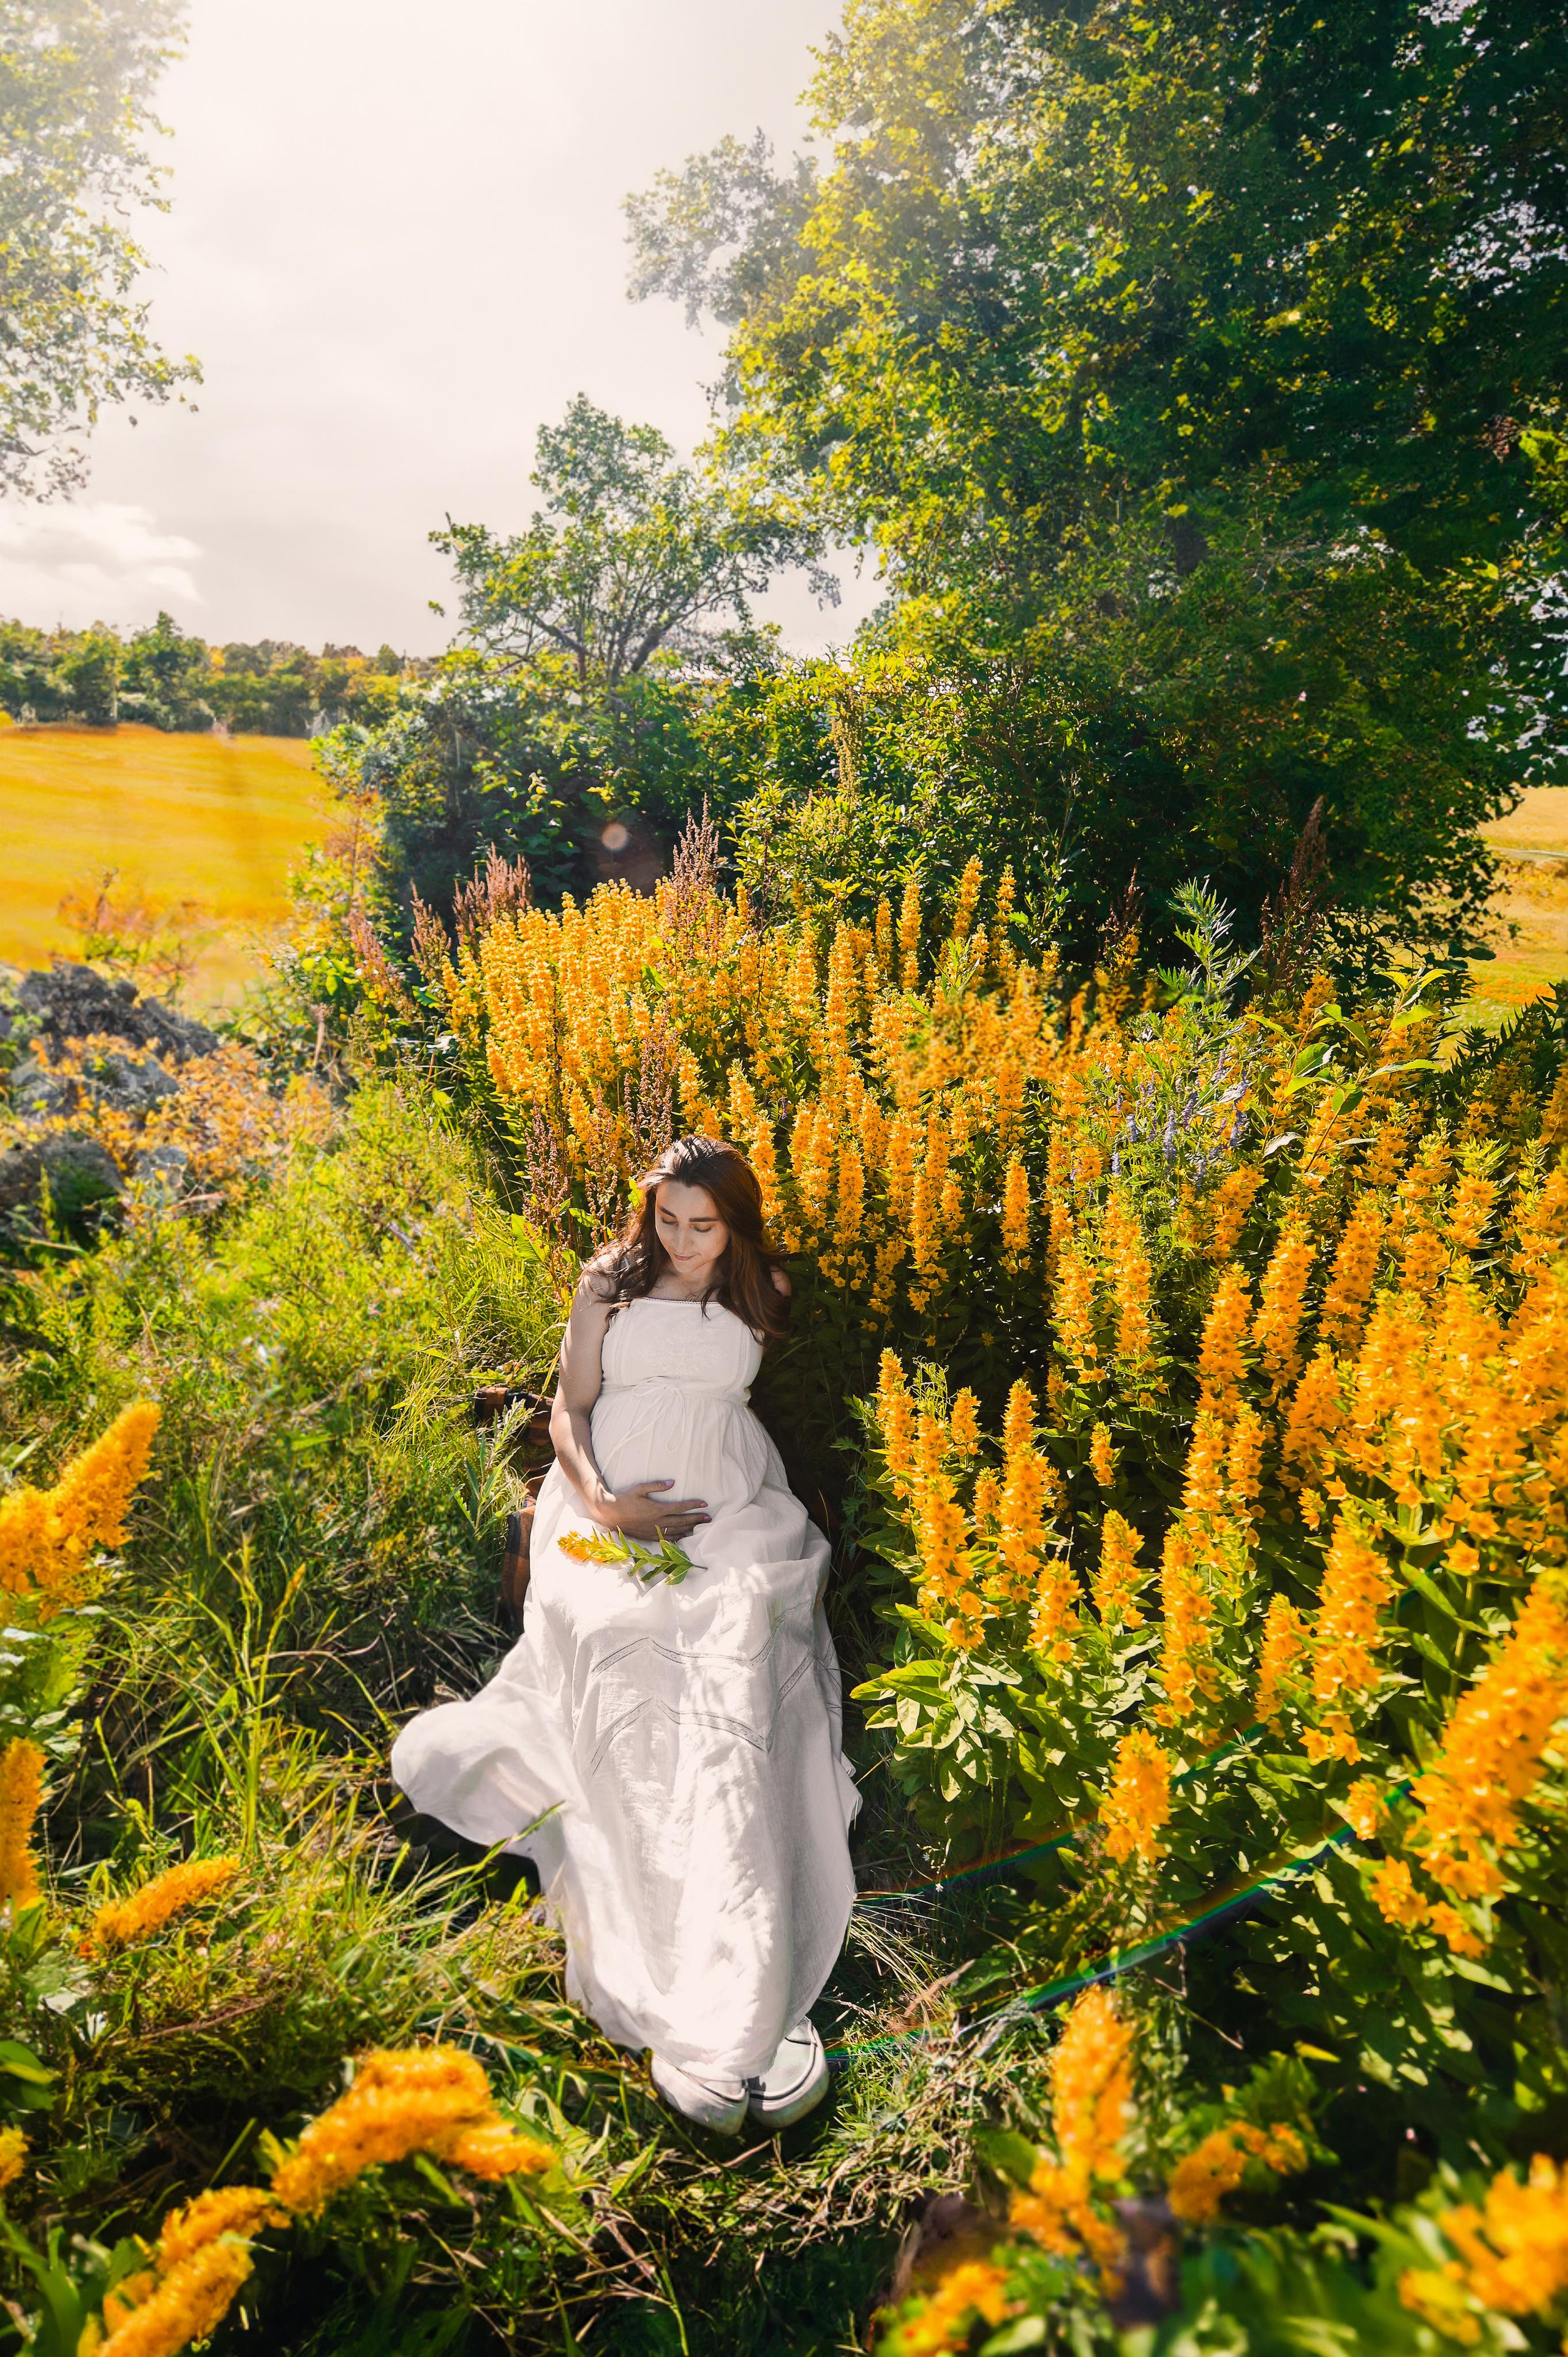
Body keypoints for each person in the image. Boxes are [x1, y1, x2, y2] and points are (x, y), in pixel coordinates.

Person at [391, 1135, 858, 2133]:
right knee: (617, 1650)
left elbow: (730, 1398)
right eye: (668, 1220)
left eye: (704, 1225)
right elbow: (571, 1407)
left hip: (732, 1513)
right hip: (606, 1513)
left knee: (735, 1664)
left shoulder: (764, 1288)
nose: (684, 1243)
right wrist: (604, 1505)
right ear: (646, 1213)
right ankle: (696, 1986)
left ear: (734, 1223)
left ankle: (752, 1976)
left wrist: (687, 1515)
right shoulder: (608, 1280)